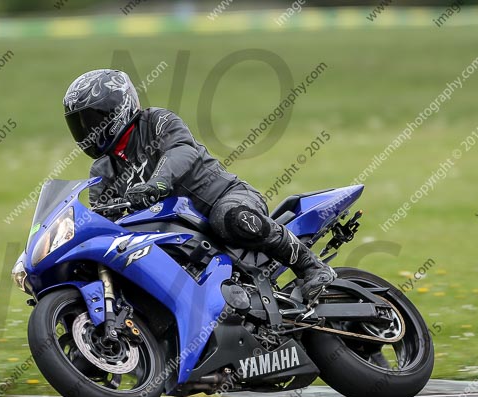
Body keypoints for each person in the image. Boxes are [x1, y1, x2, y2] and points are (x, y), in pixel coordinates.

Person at [63, 69, 335, 304]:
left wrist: (157, 183)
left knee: (228, 218)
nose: (87, 131)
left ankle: (311, 267)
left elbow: (182, 150)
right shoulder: (102, 170)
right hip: (173, 233)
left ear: (117, 110)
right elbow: (102, 219)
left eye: (92, 121)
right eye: (79, 124)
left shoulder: (157, 121)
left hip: (226, 198)